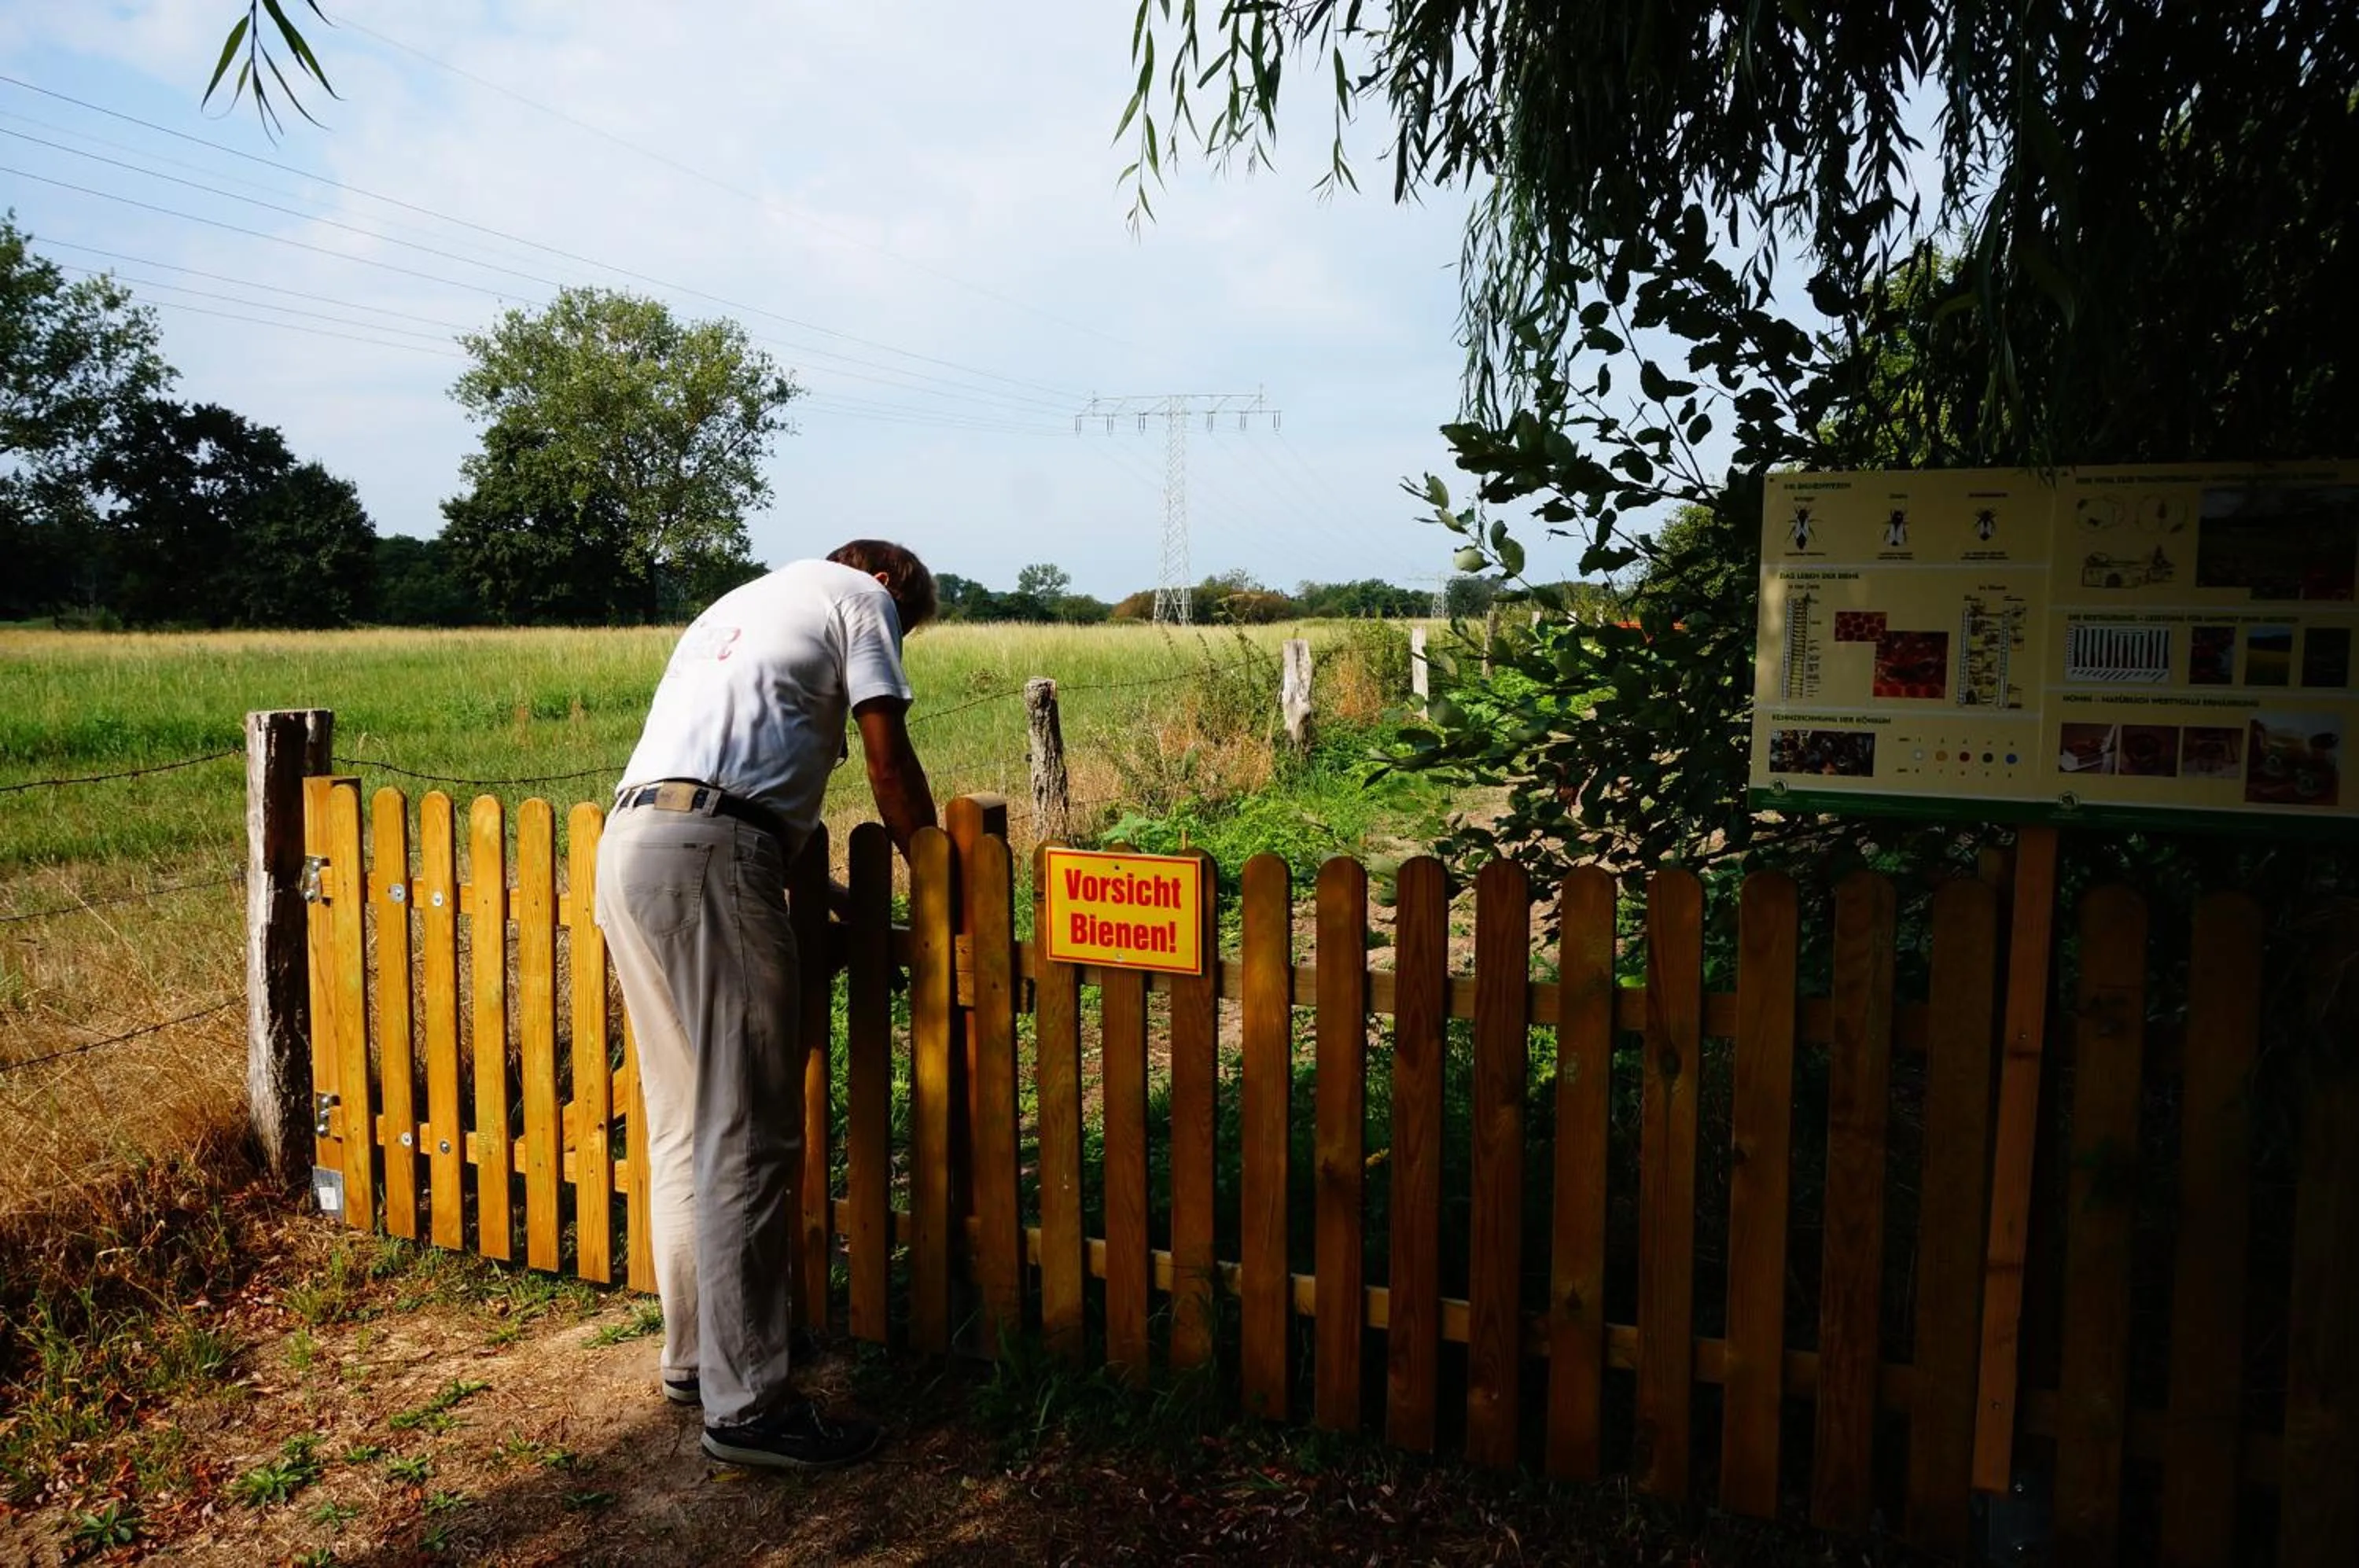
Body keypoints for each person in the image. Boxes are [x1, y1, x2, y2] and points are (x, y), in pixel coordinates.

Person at [594, 539, 938, 1471]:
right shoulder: (861, 601)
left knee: (683, 1125)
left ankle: (698, 1359)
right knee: (749, 1132)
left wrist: (839, 907)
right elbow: (886, 756)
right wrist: (939, 881)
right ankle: (749, 1405)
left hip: (634, 843)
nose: (901, 640)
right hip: (711, 851)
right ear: (892, 588)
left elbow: (762, 794)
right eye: (912, 626)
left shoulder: (747, 604)